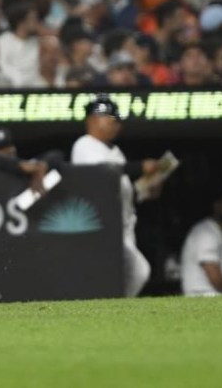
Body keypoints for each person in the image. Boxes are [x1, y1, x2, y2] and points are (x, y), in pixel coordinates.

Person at [70, 95, 165, 297]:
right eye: (111, 119)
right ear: (93, 120)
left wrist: (146, 189)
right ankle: (114, 308)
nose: (116, 125)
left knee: (125, 275)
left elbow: (124, 190)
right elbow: (102, 173)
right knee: (138, 271)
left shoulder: (116, 151)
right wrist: (140, 167)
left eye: (117, 121)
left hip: (124, 226)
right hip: (102, 228)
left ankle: (112, 309)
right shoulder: (84, 144)